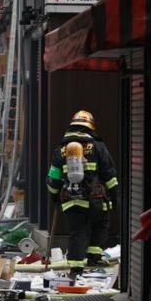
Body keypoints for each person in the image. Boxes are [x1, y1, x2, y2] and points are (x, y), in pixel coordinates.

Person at [46, 110, 119, 278]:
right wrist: (115, 195)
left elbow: (53, 179)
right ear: (90, 127)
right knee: (100, 225)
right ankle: (94, 258)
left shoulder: (61, 150)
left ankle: (76, 269)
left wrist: (54, 196)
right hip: (95, 199)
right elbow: (109, 174)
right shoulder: (98, 147)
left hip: (71, 199)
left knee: (77, 231)